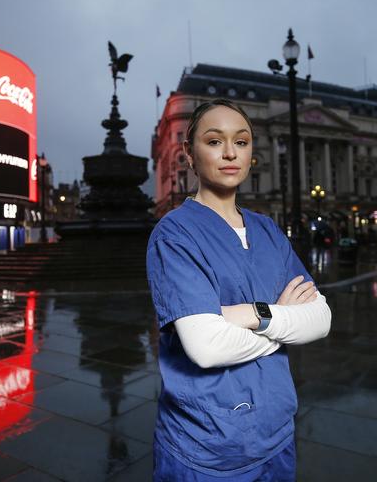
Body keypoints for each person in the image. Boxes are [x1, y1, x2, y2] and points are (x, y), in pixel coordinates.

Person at [146, 99, 332, 481]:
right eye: (214, 141)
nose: (230, 152)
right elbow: (207, 347)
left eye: (242, 142)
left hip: (278, 434)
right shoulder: (175, 233)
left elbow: (321, 319)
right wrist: (283, 323)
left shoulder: (268, 230)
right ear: (189, 154)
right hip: (207, 447)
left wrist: (250, 314)